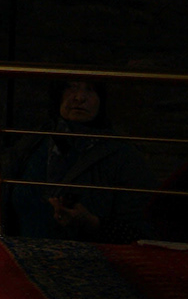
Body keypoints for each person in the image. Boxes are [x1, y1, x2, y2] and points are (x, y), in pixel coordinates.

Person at [14, 77, 150, 243]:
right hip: (27, 252)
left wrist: (92, 224)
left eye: (90, 89)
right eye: (71, 87)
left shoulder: (124, 156)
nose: (79, 97)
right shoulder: (34, 144)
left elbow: (138, 228)